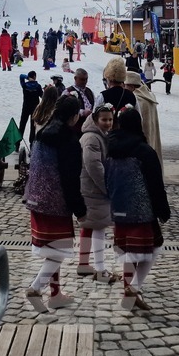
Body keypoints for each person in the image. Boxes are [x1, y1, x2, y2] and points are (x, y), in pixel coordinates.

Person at [23, 95, 86, 313]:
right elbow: (71, 179)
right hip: (56, 204)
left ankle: (56, 293)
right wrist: (80, 210)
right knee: (58, 252)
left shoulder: (41, 135)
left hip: (35, 199)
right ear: (75, 116)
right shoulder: (69, 142)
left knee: (52, 249)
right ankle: (36, 287)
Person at [107, 108, 171, 310]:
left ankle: (129, 297)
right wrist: (163, 210)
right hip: (142, 210)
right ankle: (133, 288)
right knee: (152, 249)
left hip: (118, 207)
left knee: (128, 252)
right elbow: (155, 184)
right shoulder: (144, 151)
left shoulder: (111, 148)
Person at [77, 105, 117, 282]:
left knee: (89, 226)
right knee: (99, 228)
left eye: (110, 119)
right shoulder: (92, 138)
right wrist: (108, 187)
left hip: (92, 189)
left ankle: (84, 263)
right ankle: (100, 270)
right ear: (95, 120)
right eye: (104, 120)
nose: (108, 123)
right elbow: (94, 166)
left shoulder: (99, 135)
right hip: (94, 190)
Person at [126, 71, 163, 167]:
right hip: (151, 136)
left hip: (142, 141)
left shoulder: (137, 99)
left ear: (132, 86)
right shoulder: (149, 96)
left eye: (125, 85)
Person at [19, 70, 43, 137]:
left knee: (22, 124)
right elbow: (42, 96)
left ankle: (17, 142)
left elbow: (21, 76)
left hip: (25, 107)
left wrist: (27, 77)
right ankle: (31, 142)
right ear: (35, 76)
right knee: (33, 126)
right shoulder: (38, 86)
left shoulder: (25, 85)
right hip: (35, 108)